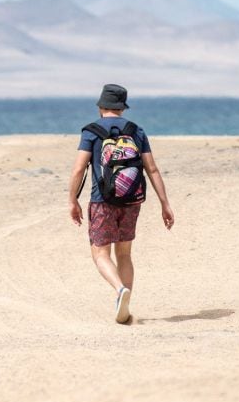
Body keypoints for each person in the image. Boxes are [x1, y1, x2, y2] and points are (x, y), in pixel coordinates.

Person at [67, 84, 174, 324]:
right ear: (122, 107)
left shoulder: (91, 131)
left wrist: (72, 200)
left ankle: (119, 290)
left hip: (101, 201)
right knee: (124, 254)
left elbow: (78, 169)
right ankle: (124, 302)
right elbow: (152, 169)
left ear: (100, 106)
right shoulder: (137, 131)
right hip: (131, 201)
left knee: (100, 254)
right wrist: (164, 204)